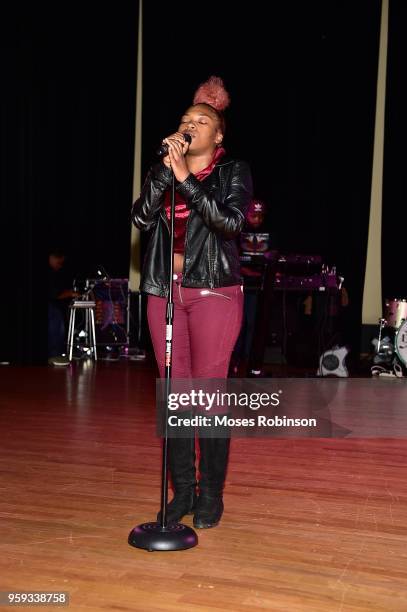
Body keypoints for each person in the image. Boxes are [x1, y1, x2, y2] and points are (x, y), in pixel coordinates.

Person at [131, 76, 253, 528]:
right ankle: (182, 491)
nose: (190, 126)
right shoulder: (164, 169)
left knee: (207, 394)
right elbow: (142, 217)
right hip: (165, 291)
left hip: (213, 291)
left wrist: (186, 178)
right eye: (185, 120)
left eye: (201, 121)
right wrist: (166, 172)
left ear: (218, 135)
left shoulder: (233, 171)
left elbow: (229, 223)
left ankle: (210, 495)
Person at [48, 249, 79, 365]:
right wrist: (70, 293)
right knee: (55, 316)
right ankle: (54, 354)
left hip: (53, 303)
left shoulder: (53, 273)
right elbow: (54, 294)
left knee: (58, 314)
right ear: (52, 257)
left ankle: (58, 352)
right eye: (59, 263)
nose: (60, 266)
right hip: (50, 305)